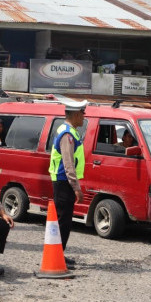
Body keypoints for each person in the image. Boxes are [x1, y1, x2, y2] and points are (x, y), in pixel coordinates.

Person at [48, 99, 87, 269]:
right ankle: (57, 256)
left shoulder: (68, 131)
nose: (84, 117)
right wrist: (76, 187)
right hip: (64, 182)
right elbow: (68, 163)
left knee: (64, 220)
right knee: (63, 221)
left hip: (64, 182)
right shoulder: (68, 134)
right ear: (77, 114)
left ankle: (60, 254)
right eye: (83, 113)